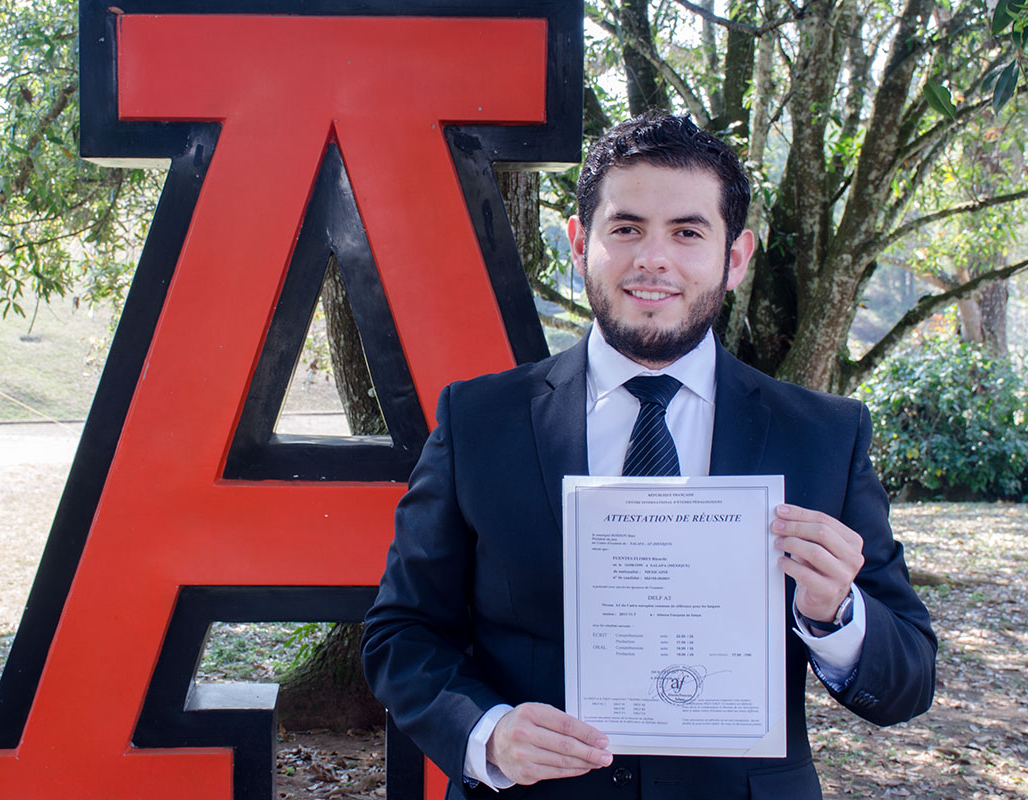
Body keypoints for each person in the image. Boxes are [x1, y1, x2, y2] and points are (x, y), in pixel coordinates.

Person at [361, 112, 936, 800]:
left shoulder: (824, 436)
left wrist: (833, 611)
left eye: (687, 232)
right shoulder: (479, 420)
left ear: (736, 257)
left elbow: (908, 683)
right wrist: (487, 733)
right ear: (581, 243)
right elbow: (401, 632)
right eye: (626, 228)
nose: (651, 259)